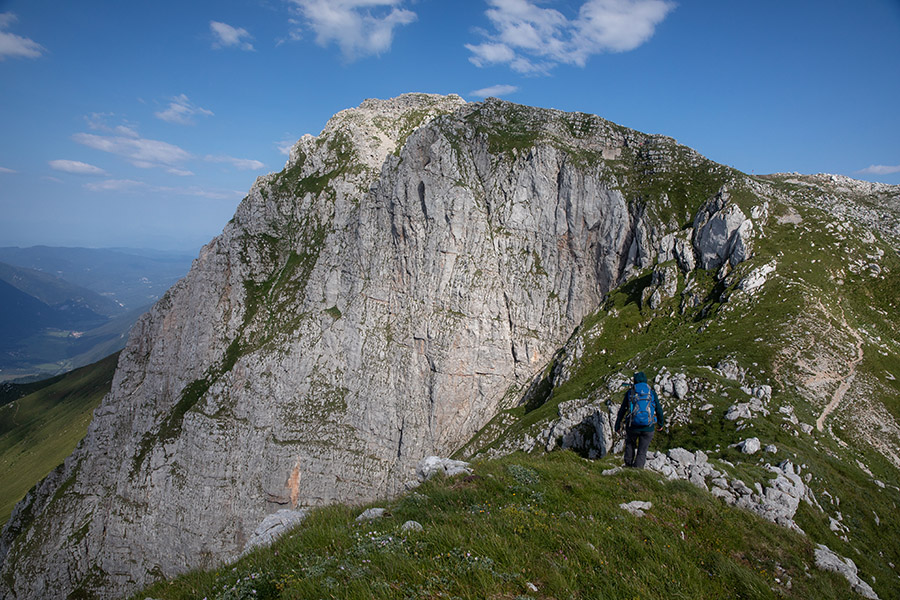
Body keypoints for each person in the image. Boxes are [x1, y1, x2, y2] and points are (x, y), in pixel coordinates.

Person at [614, 371, 665, 469]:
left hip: (632, 426)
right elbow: (658, 409)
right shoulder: (651, 392)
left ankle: (628, 465)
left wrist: (617, 425)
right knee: (642, 450)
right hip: (648, 427)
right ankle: (637, 469)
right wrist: (660, 423)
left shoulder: (630, 392)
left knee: (630, 444)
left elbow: (622, 410)